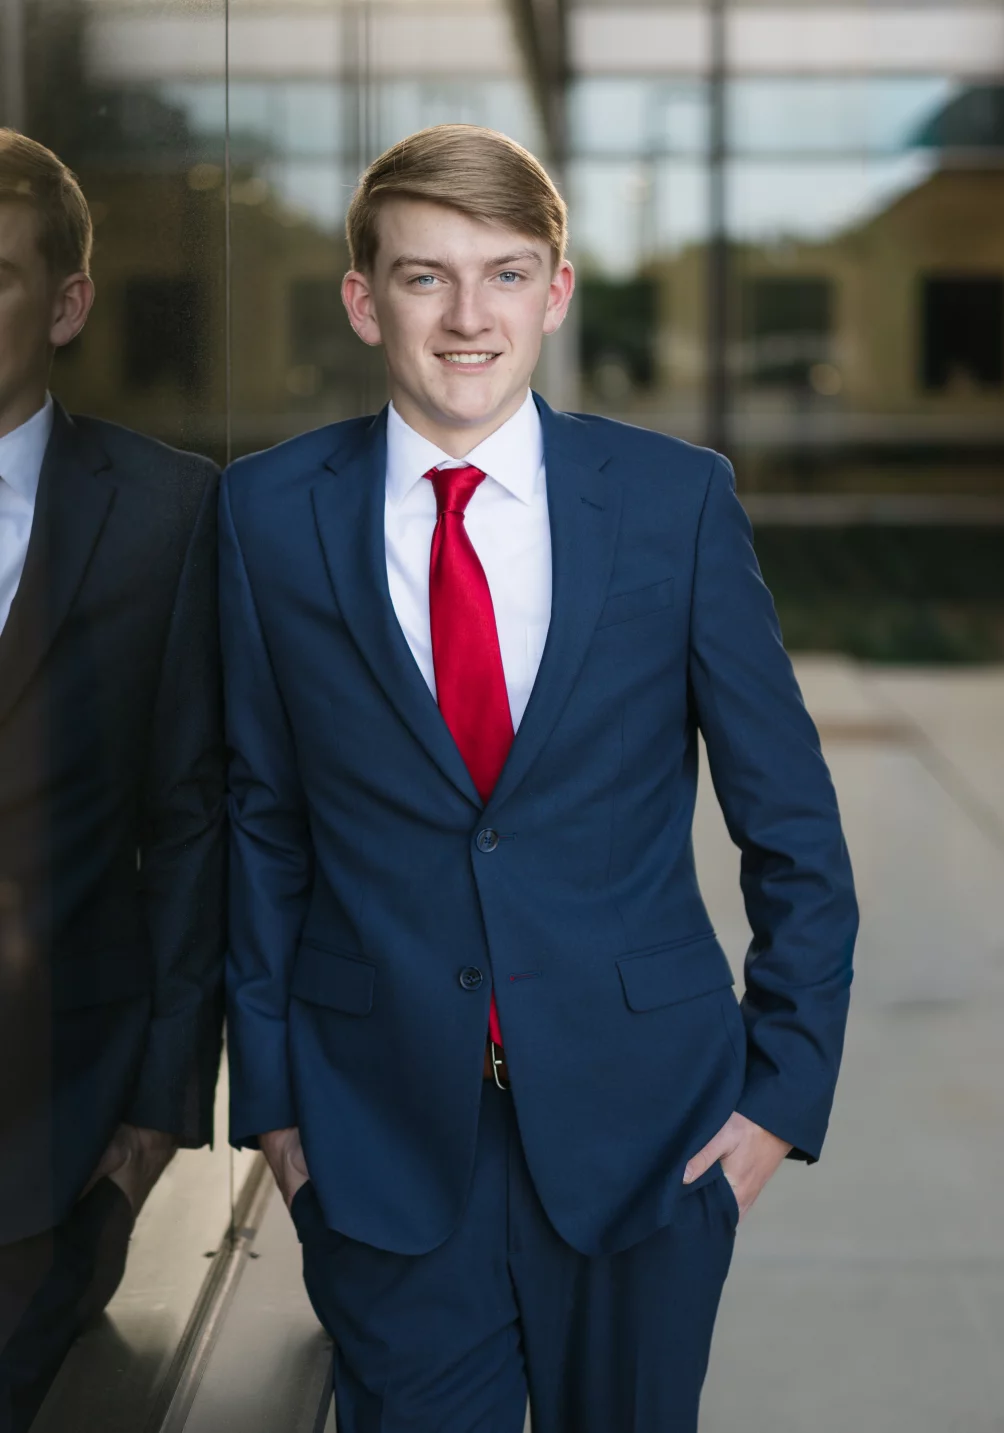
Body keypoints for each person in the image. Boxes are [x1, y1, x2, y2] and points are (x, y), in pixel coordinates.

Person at [223, 124, 858, 1433]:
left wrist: (779, 1098)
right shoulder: (265, 515)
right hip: (377, 1137)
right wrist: (278, 1111)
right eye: (424, 276)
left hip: (652, 1134)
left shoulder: (674, 503)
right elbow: (261, 825)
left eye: (507, 274)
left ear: (557, 293)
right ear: (362, 299)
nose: (470, 317)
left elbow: (790, 824)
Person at [0, 130, 225, 1433]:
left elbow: (193, 820)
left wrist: (159, 1112)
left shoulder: (168, 515)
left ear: (68, 303)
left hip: (53, 1142)